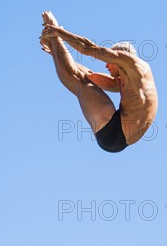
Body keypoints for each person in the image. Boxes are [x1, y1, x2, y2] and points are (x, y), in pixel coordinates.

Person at [40, 11, 158, 152]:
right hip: (116, 138)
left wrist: (58, 31)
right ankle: (55, 41)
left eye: (109, 62)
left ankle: (54, 35)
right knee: (83, 78)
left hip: (116, 131)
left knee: (79, 82)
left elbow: (89, 48)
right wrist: (57, 54)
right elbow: (90, 75)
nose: (106, 65)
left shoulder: (130, 61)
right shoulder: (132, 81)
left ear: (120, 57)